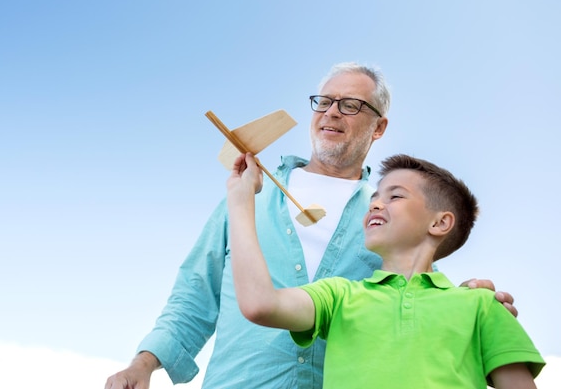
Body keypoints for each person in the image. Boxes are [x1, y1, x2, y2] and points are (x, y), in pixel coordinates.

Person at [105, 62, 518, 389]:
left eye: (351, 105)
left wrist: (469, 305)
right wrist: (144, 365)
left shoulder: (387, 217)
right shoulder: (250, 196)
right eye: (324, 101)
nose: (332, 112)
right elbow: (196, 295)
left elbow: (412, 292)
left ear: (379, 127)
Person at [227, 152, 545, 388]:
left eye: (395, 196)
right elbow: (259, 304)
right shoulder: (337, 296)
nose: (376, 204)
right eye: (375, 198)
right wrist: (241, 202)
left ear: (440, 222)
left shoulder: (482, 305)